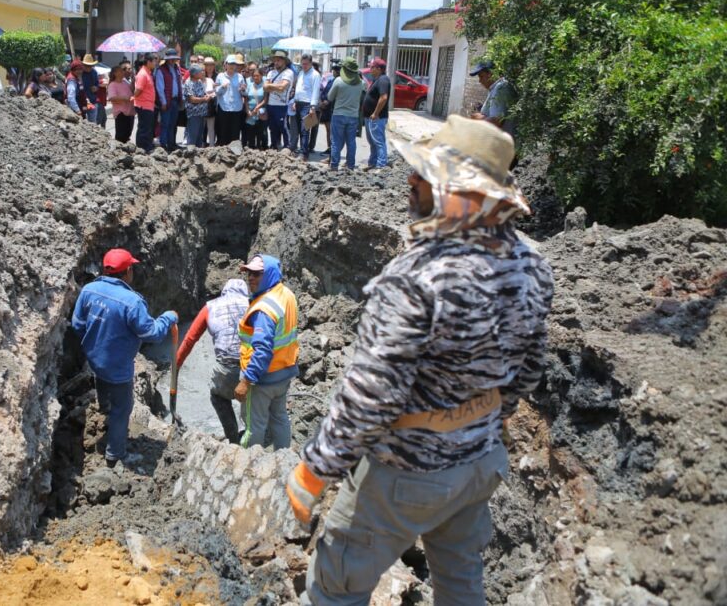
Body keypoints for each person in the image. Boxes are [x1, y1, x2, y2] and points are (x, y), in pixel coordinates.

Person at [287, 115, 553, 606]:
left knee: (334, 588)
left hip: (405, 471)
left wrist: (315, 469)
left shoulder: (416, 279)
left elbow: (371, 397)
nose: (410, 182)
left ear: (459, 193)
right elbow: (529, 370)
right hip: (480, 464)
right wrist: (474, 422)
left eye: (424, 177)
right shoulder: (532, 265)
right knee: (460, 582)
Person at [72, 249, 177, 467]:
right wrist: (168, 318)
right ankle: (115, 454)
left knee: (103, 382)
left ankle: (104, 407)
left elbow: (77, 324)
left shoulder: (89, 290)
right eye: (132, 268)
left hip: (94, 358)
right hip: (118, 366)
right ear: (127, 271)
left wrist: (94, 343)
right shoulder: (132, 302)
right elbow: (153, 334)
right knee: (123, 408)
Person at [234, 255, 298, 450]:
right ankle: (283, 457)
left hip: (263, 379)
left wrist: (246, 381)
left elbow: (262, 350)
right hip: (284, 372)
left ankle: (248, 464)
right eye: (248, 273)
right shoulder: (287, 294)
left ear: (269, 274)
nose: (250, 278)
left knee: (255, 425)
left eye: (256, 274)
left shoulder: (264, 309)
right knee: (280, 418)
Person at [176, 279, 250, 444]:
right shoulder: (254, 304)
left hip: (227, 368)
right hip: (254, 367)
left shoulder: (210, 307)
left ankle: (233, 440)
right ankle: (252, 433)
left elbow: (190, 339)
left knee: (218, 396)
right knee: (252, 400)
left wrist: (177, 363)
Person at [326, 57, 364, 171]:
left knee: (336, 142)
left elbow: (329, 97)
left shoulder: (338, 81)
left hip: (339, 115)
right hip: (353, 116)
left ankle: (334, 166)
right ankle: (350, 165)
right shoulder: (361, 83)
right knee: (351, 142)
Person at [470, 59, 516, 136]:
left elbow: (496, 122)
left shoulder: (501, 88)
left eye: (481, 76)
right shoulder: (495, 88)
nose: (480, 81)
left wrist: (477, 117)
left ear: (490, 74)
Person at [364, 57, 391, 169]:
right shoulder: (377, 79)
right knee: (372, 142)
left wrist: (375, 113)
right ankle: (373, 162)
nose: (370, 69)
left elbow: (383, 97)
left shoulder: (383, 80)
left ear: (379, 68)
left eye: (372, 67)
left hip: (377, 117)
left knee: (378, 141)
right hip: (370, 117)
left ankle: (381, 165)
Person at [264, 50, 295, 150]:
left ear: (284, 61)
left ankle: (287, 147)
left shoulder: (288, 73)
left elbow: (282, 88)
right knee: (273, 128)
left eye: (278, 60)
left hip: (282, 105)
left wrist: (271, 86)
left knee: (284, 128)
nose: (276, 62)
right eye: (275, 60)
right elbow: (265, 87)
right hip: (270, 104)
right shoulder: (271, 72)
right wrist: (276, 86)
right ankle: (274, 146)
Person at [292, 54, 321, 159]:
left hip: (307, 104)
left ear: (310, 63)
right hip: (299, 103)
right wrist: (295, 101)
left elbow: (315, 91)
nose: (303, 66)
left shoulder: (315, 75)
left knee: (305, 130)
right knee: (299, 129)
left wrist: (313, 107)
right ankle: (301, 149)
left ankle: (304, 153)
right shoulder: (301, 73)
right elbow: (298, 88)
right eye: (302, 64)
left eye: (305, 64)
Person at [154, 48, 183, 150]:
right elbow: (160, 88)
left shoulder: (176, 69)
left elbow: (179, 83)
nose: (172, 60)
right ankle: (163, 145)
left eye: (174, 58)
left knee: (173, 124)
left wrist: (181, 98)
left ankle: (171, 144)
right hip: (166, 101)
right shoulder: (161, 70)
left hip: (175, 100)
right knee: (165, 124)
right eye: (171, 59)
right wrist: (163, 102)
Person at [215, 55, 246, 146]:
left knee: (235, 132)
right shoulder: (220, 76)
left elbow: (244, 93)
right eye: (230, 63)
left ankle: (234, 153)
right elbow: (216, 91)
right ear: (226, 64)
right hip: (224, 107)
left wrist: (243, 90)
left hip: (236, 108)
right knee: (223, 131)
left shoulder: (240, 77)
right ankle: (223, 152)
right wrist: (222, 87)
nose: (232, 66)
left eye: (234, 64)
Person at [133, 53, 158, 151]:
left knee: (148, 127)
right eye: (154, 61)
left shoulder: (148, 73)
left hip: (148, 105)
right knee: (144, 128)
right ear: (148, 62)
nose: (156, 63)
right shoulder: (143, 74)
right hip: (143, 105)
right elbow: (138, 91)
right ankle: (142, 148)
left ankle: (146, 146)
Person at [183, 63, 211, 147]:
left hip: (202, 113)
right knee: (192, 136)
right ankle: (190, 155)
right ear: (194, 74)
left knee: (199, 137)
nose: (202, 73)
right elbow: (192, 99)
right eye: (200, 72)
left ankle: (197, 155)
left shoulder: (199, 81)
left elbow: (203, 93)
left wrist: (207, 96)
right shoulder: (188, 83)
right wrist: (204, 99)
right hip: (194, 114)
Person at [108, 61, 135, 143]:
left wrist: (133, 81)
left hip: (130, 112)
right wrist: (124, 98)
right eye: (120, 70)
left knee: (127, 134)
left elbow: (132, 90)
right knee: (121, 135)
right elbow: (112, 97)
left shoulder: (125, 82)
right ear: (115, 73)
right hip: (121, 113)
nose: (123, 72)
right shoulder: (113, 84)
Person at [317, 62, 339, 156]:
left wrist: (327, 102)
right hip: (325, 107)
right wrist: (321, 102)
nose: (334, 72)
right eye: (334, 70)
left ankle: (331, 149)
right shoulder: (331, 80)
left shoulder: (338, 81)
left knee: (331, 130)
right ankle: (329, 147)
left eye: (336, 70)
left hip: (331, 108)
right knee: (328, 129)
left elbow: (334, 95)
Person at [243, 66, 268, 150]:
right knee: (251, 133)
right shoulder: (249, 85)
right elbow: (246, 99)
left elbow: (265, 99)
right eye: (254, 76)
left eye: (257, 75)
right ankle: (251, 149)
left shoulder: (265, 86)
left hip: (260, 112)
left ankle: (261, 148)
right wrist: (247, 110)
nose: (255, 77)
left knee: (261, 133)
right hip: (250, 113)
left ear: (261, 76)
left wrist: (257, 108)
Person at [81, 54, 101, 124]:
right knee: (82, 121)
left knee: (93, 123)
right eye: (86, 66)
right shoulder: (80, 73)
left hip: (92, 100)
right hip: (82, 101)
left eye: (90, 66)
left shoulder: (94, 72)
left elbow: (97, 84)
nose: (88, 67)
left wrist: (96, 88)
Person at [203, 57, 218, 147]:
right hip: (202, 104)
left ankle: (212, 144)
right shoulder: (200, 75)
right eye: (207, 64)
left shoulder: (218, 76)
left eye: (211, 64)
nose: (209, 66)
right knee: (202, 127)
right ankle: (202, 143)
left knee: (212, 127)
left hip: (214, 105)